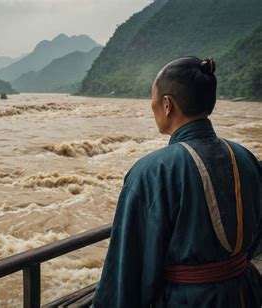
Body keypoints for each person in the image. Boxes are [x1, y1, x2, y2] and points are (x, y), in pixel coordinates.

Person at [92, 57, 261, 307]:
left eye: (153, 100)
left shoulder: (152, 172)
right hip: (244, 293)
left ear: (167, 105)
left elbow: (127, 270)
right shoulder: (245, 157)